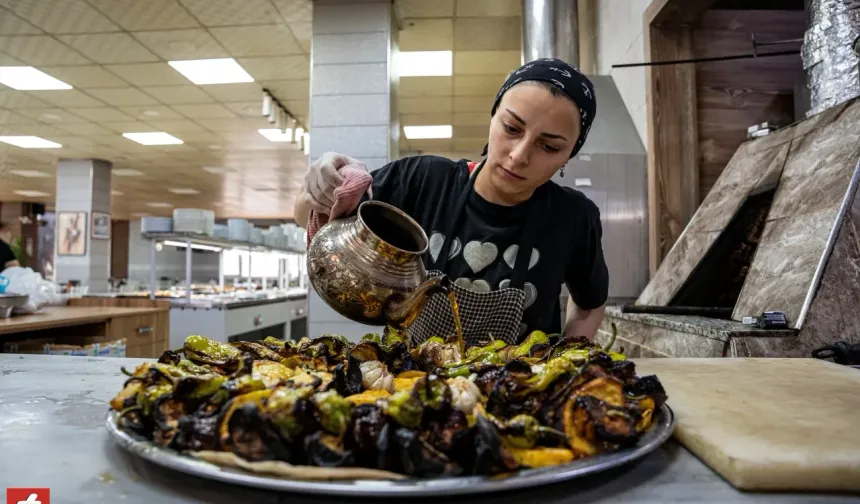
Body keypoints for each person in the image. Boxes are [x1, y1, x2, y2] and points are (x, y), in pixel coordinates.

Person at [295, 58, 608, 345]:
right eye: (511, 129)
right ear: (493, 116)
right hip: (413, 388)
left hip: (518, 394)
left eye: (549, 147)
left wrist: (566, 367)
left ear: (569, 156)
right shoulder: (423, 180)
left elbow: (588, 307)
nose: (519, 155)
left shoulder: (573, 217)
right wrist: (319, 187)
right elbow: (307, 217)